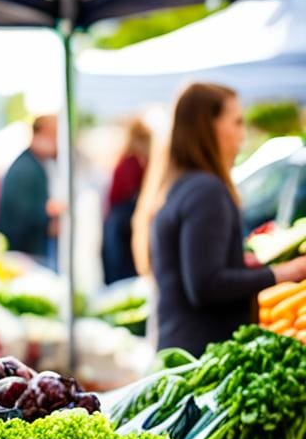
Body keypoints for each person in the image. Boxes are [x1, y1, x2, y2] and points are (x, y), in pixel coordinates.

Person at [132, 83, 306, 355]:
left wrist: (239, 265)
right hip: (200, 355)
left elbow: (195, 270)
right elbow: (206, 285)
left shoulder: (183, 185)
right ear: (208, 126)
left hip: (182, 348)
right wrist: (286, 272)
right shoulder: (206, 191)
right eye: (236, 122)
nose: (242, 133)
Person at [0, 115, 60, 264]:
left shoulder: (33, 163)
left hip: (26, 251)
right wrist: (48, 210)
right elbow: (22, 214)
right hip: (23, 253)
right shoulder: (26, 168)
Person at [102, 119, 151, 284]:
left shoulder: (130, 160)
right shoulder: (136, 161)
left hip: (120, 220)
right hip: (123, 220)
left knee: (120, 271)